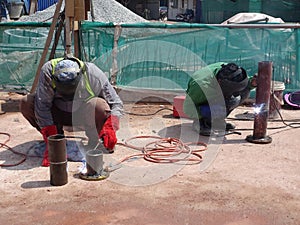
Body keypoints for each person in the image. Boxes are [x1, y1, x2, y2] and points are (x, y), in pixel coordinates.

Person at [20, 55, 124, 166]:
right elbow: (42, 106)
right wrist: (52, 140)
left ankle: (95, 140)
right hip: (58, 113)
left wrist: (110, 126)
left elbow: (116, 103)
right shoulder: (48, 72)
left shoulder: (92, 73)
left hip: (82, 115)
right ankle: (57, 138)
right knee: (27, 102)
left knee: (99, 106)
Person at [183, 62, 257, 136]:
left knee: (238, 97)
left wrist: (252, 83)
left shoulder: (233, 71)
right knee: (221, 107)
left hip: (216, 90)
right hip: (204, 96)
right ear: (220, 83)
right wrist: (208, 111)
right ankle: (201, 123)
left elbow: (244, 84)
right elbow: (188, 109)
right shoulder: (200, 87)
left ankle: (216, 121)